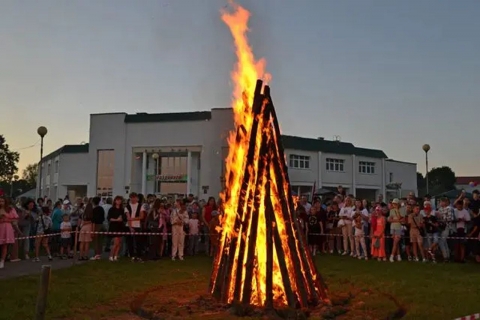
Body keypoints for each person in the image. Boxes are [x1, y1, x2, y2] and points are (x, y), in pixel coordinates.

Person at [125, 192, 146, 262]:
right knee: (130, 242)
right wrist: (130, 227)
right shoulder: (127, 207)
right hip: (129, 226)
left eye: (134, 197)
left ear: (137, 198)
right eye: (132, 198)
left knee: (138, 242)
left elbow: (142, 216)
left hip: (137, 225)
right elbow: (128, 218)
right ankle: (132, 256)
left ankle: (139, 256)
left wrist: (133, 218)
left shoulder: (140, 206)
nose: (133, 199)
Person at [0, 197, 19, 269]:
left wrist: (6, 219)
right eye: (0, 201)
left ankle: (2, 261)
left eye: (2, 201)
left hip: (6, 227)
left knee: (5, 245)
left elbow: (15, 219)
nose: (1, 202)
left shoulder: (9, 209)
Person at [107, 196, 125, 262]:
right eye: (117, 200)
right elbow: (109, 218)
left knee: (119, 243)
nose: (119, 201)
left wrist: (122, 219)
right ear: (115, 201)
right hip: (114, 227)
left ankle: (116, 256)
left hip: (120, 226)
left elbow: (124, 217)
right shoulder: (112, 209)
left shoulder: (122, 209)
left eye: (120, 200)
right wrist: (116, 220)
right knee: (115, 242)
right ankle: (111, 255)